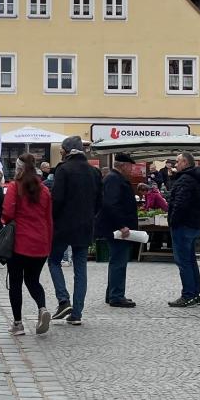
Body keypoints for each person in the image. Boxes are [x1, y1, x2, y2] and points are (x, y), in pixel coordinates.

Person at [48, 136, 103, 325]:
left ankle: (63, 300)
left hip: (63, 225)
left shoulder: (63, 170)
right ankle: (77, 314)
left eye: (62, 149)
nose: (61, 152)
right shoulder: (94, 172)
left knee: (54, 260)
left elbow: (57, 200)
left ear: (67, 150)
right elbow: (99, 202)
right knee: (81, 269)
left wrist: (52, 220)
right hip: (85, 226)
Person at [1, 153, 53, 336]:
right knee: (33, 280)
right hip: (40, 244)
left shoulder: (15, 187)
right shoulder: (45, 190)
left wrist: (6, 220)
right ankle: (42, 308)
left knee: (15, 282)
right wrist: (48, 243)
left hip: (19, 243)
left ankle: (18, 324)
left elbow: (7, 213)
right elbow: (49, 219)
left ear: (19, 168)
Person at [95, 153, 140, 309]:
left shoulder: (114, 178)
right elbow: (110, 204)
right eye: (130, 166)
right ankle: (116, 296)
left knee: (117, 260)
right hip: (117, 228)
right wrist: (121, 225)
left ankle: (112, 294)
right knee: (119, 261)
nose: (132, 169)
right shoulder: (114, 179)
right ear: (124, 165)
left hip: (115, 227)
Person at [168, 152, 200, 308]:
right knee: (190, 261)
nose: (175, 165)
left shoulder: (186, 179)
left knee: (184, 261)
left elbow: (180, 203)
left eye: (178, 162)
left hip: (183, 225)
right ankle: (195, 294)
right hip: (193, 224)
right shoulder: (198, 179)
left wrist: (173, 221)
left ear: (185, 162)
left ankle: (188, 295)